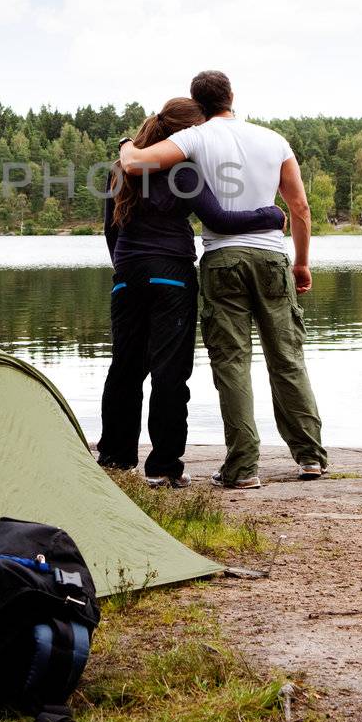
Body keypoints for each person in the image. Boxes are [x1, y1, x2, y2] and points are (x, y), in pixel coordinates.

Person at [119, 71, 327, 489]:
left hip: (221, 260)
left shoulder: (196, 138)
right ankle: (310, 458)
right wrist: (301, 263)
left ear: (198, 104)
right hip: (272, 257)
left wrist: (126, 143)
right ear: (232, 96)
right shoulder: (275, 140)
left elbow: (134, 164)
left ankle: (243, 468)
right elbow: (300, 206)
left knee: (232, 362)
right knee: (286, 357)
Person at [99, 96, 285, 490]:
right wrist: (269, 215)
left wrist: (127, 268)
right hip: (172, 277)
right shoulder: (184, 171)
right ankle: (164, 467)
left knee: (125, 369)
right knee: (170, 373)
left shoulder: (118, 169)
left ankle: (115, 460)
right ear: (186, 134)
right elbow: (218, 219)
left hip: (126, 276)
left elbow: (111, 231)